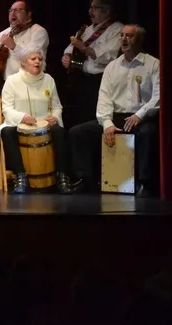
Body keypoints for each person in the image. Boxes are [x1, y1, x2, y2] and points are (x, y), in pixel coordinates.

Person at [67, 25, 160, 197]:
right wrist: (107, 124)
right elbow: (104, 98)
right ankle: (86, 180)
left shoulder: (153, 64)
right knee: (77, 133)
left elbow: (158, 97)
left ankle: (145, 183)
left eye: (129, 36)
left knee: (148, 133)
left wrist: (139, 115)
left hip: (141, 118)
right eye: (122, 36)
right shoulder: (112, 67)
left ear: (139, 40)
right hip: (117, 117)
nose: (124, 40)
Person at [0, 50, 69, 194]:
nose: (38, 61)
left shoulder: (48, 79)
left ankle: (61, 177)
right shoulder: (12, 80)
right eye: (33, 58)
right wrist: (22, 117)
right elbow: (6, 109)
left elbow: (57, 106)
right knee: (7, 131)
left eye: (40, 59)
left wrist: (55, 117)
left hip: (44, 122)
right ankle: (20, 176)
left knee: (58, 130)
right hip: (19, 122)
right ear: (23, 62)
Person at [60, 0, 123, 124]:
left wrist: (83, 48)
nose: (91, 11)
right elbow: (69, 49)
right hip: (81, 80)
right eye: (90, 8)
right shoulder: (87, 29)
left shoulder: (116, 29)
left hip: (99, 81)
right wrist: (67, 57)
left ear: (107, 10)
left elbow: (108, 57)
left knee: (95, 119)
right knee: (80, 118)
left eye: (95, 8)